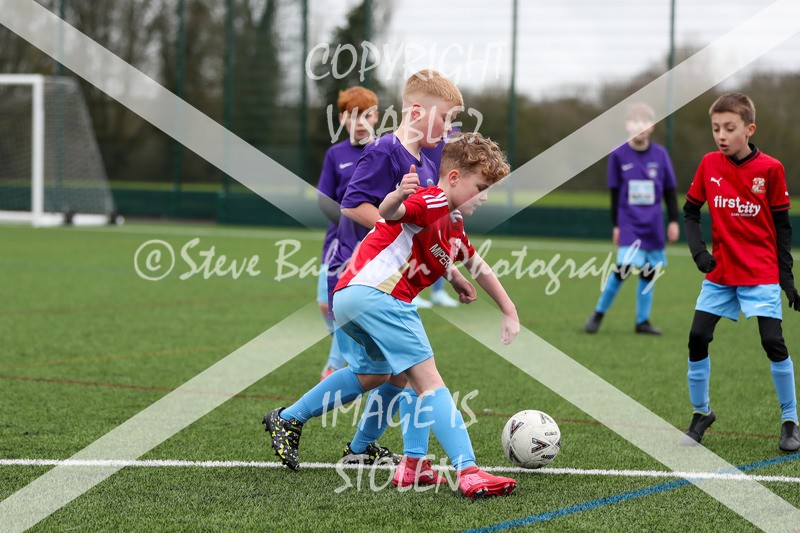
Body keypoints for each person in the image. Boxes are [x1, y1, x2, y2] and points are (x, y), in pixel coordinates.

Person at [263, 132, 521, 498]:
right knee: (428, 379)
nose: (484, 197)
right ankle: (469, 470)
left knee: (383, 374)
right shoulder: (432, 199)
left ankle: (303, 425)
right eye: (480, 186)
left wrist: (476, 289)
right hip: (378, 296)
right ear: (453, 178)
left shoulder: (453, 222)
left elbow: (475, 264)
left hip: (351, 297)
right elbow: (392, 213)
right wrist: (397, 196)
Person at [681, 92, 800, 452]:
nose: (721, 135)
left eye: (729, 128)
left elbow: (783, 229)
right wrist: (699, 252)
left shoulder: (771, 169)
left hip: (761, 271)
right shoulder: (708, 164)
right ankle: (701, 413)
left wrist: (788, 280)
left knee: (771, 342)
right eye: (716, 128)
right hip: (721, 273)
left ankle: (791, 421)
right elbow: (689, 212)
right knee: (697, 337)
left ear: (749, 129)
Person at [584, 103, 680, 335]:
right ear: (627, 125)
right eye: (635, 122)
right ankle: (598, 313)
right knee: (623, 268)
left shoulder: (661, 155)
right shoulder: (618, 155)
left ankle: (642, 321)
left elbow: (669, 191)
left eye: (644, 123)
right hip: (629, 223)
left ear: (652, 127)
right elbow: (615, 194)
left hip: (654, 223)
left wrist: (674, 221)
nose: (640, 127)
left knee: (649, 272)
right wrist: (616, 225)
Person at [316, 87, 380, 380]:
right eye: (352, 116)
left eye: (365, 115)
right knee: (325, 305)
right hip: (337, 244)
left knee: (352, 308)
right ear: (342, 119)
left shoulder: (385, 151)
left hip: (374, 245)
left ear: (376, 116)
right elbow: (324, 199)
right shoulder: (335, 154)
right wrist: (346, 223)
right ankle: (349, 357)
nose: (359, 122)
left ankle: (336, 366)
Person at [410, 127, 464, 309]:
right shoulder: (427, 127)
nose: (446, 126)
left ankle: (438, 291)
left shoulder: (455, 132)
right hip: (426, 188)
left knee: (445, 239)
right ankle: (412, 287)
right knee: (418, 237)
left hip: (447, 190)